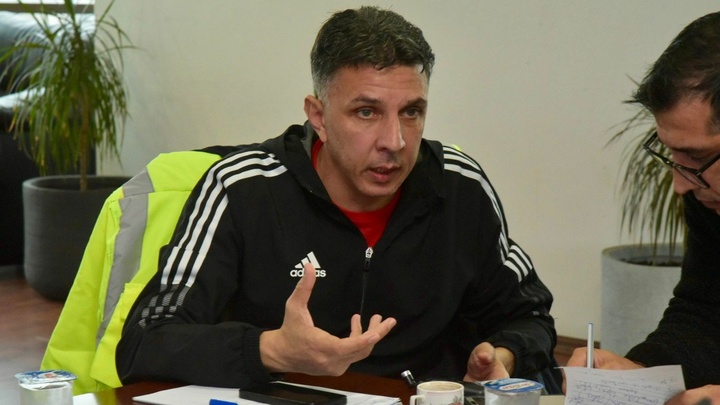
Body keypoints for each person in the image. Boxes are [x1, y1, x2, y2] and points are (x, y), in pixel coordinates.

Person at [117, 6, 558, 390]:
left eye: (411, 112)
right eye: (366, 112)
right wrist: (272, 349)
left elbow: (530, 316)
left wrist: (503, 356)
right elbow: (143, 342)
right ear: (319, 117)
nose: (395, 142)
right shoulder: (242, 188)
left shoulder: (461, 188)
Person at [565, 11, 720, 405]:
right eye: (672, 154)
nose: (680, 185)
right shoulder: (707, 192)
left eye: (695, 156)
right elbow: (704, 314)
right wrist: (641, 371)